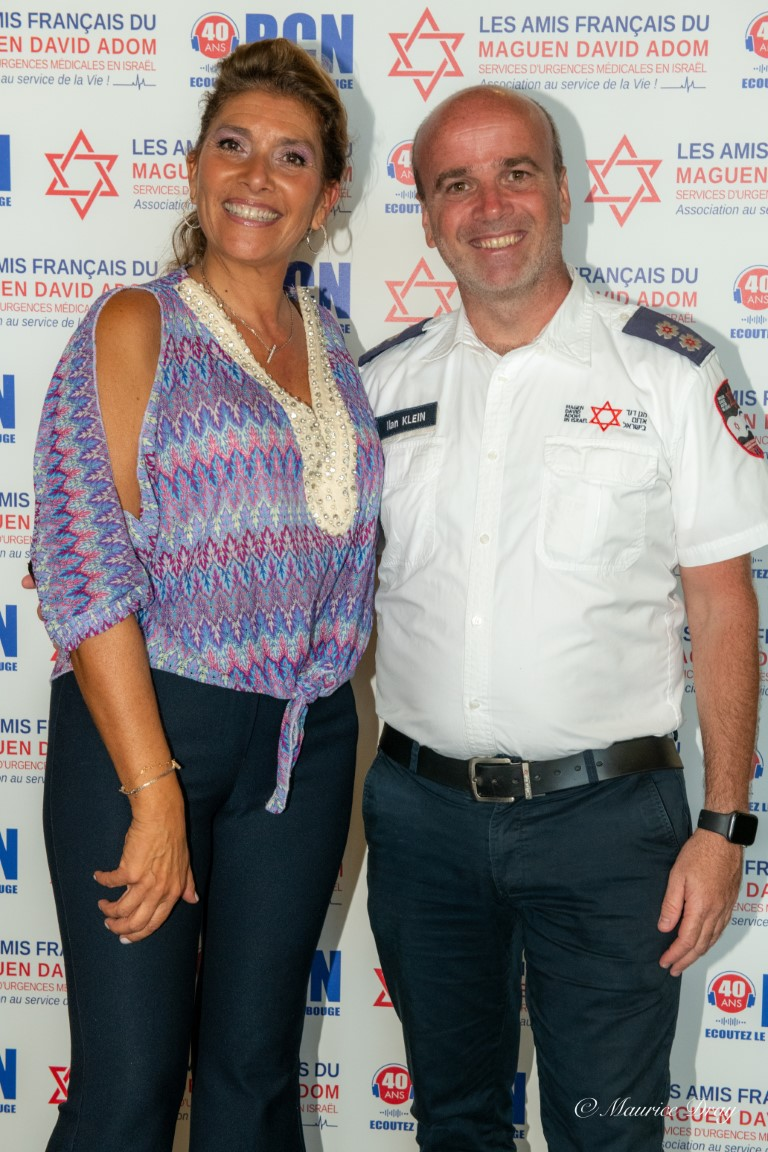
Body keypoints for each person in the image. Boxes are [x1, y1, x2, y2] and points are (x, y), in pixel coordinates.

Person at [359, 86, 768, 1152]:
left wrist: (725, 827)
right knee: (453, 1123)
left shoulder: (671, 371)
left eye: (516, 173)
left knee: (608, 1134)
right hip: (421, 821)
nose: (490, 206)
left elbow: (724, 606)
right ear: (428, 215)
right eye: (457, 184)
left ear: (565, 190)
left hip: (609, 828)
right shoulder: (380, 387)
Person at [30, 39, 382, 1152]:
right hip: (148, 728)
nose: (256, 177)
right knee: (129, 1088)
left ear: (327, 196)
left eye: (292, 157)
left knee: (253, 1080)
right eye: (233, 145)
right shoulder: (136, 325)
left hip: (305, 742)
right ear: (194, 169)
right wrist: (153, 793)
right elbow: (84, 568)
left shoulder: (333, 346)